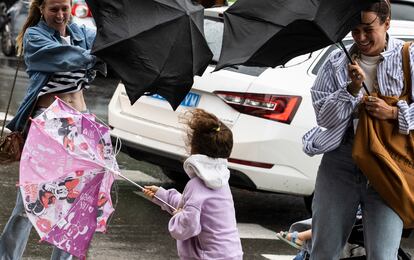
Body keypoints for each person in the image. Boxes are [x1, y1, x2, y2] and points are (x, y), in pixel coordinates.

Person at [303, 0, 413, 259]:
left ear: (387, 23)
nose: (361, 37)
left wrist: (394, 112)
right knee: (324, 251)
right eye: (354, 30)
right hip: (340, 160)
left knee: (383, 254)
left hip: (389, 163)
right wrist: (351, 89)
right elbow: (324, 118)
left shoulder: (409, 57)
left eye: (368, 28)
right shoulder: (336, 61)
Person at [0, 0, 100, 259]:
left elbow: (106, 44)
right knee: (28, 204)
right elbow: (64, 58)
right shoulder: (35, 36)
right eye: (54, 9)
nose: (60, 15)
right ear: (42, 9)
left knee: (73, 205)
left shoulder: (81, 33)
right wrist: (94, 56)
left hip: (80, 123)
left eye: (65, 8)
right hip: (48, 124)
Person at [143, 108, 243, 260]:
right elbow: (192, 206)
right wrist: (163, 196)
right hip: (231, 253)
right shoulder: (221, 181)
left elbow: (186, 227)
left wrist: (177, 217)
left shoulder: (196, 185)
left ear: (193, 148)